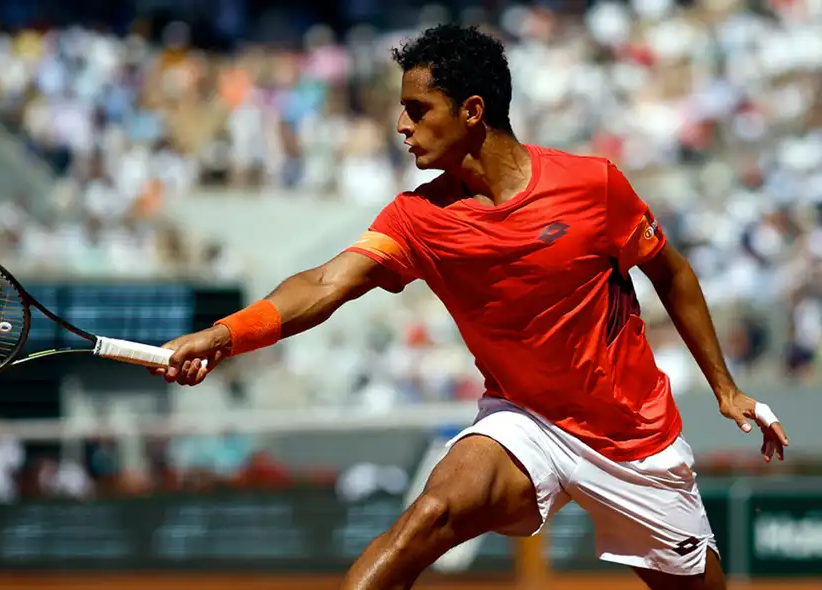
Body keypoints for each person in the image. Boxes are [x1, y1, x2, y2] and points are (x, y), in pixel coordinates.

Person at [150, 24, 789, 590]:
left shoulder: (593, 186)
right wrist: (226, 333)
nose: (401, 126)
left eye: (416, 109)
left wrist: (725, 388)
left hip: (635, 440)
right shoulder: (416, 217)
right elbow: (322, 285)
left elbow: (672, 274)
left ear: (472, 110)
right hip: (525, 423)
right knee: (427, 518)